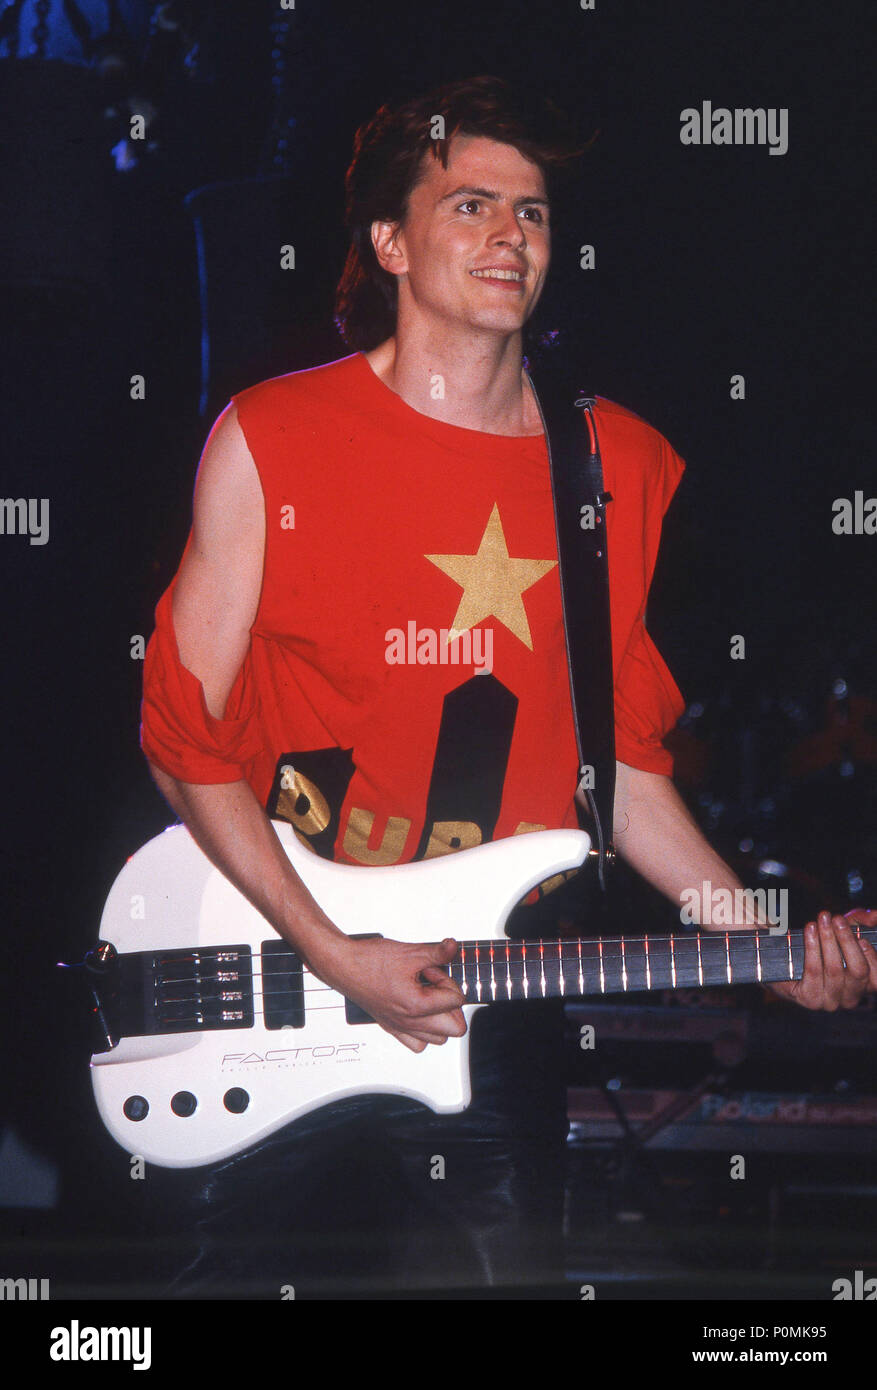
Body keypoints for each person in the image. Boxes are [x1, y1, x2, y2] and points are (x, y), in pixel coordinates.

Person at [140, 76, 877, 1298]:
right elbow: (181, 738)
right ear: (389, 242)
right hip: (273, 979)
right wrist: (336, 951)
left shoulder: (615, 465)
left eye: (531, 214)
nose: (509, 236)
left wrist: (763, 939)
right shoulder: (272, 440)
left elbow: (624, 772)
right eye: (471, 204)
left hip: (493, 1001)